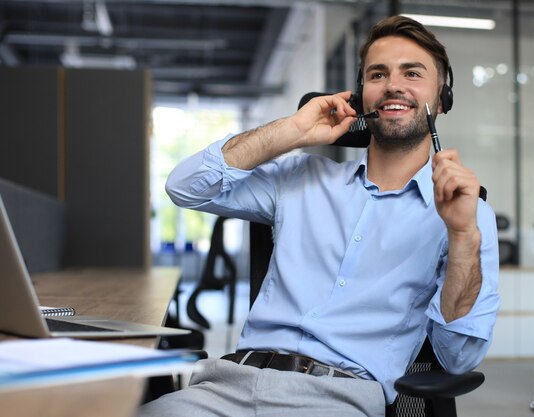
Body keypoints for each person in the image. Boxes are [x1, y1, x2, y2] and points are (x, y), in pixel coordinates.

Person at [140, 15, 499, 417]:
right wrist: (293, 130)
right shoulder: (300, 177)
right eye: (378, 74)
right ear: (362, 96)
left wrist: (462, 234)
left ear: (443, 98)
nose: (394, 85)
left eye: (412, 73)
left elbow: (458, 359)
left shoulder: (466, 215)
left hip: (336, 399)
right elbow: (185, 186)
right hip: (226, 387)